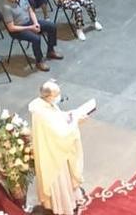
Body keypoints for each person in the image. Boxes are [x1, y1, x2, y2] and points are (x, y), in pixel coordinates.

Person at [28, 80, 86, 215]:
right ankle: (63, 205)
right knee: (59, 179)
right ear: (48, 96)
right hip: (53, 154)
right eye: (56, 94)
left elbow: (57, 118)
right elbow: (62, 134)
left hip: (54, 150)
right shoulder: (41, 113)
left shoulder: (45, 105)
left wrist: (70, 115)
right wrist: (76, 121)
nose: (59, 96)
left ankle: (71, 198)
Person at [3, 0, 60, 72]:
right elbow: (11, 28)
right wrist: (31, 28)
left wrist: (36, 23)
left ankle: (51, 50)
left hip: (30, 23)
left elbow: (30, 11)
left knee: (51, 26)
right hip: (19, 29)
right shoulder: (7, 7)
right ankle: (39, 61)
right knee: (36, 38)